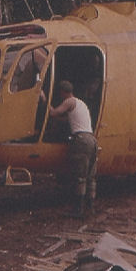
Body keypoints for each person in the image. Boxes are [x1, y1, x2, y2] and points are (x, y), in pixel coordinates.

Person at [48, 80, 98, 217]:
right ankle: (91, 207)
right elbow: (67, 120)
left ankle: (78, 209)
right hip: (92, 140)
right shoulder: (81, 103)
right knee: (90, 177)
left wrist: (42, 98)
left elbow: (53, 113)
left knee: (80, 176)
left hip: (81, 140)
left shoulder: (69, 101)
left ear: (63, 92)